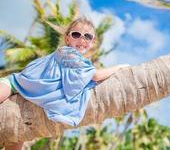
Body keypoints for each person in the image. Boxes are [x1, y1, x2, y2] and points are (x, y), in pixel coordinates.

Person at [0, 17, 129, 150]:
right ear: (67, 39)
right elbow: (95, 76)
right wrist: (119, 67)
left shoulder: (79, 65)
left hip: (23, 98)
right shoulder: (67, 53)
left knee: (15, 141)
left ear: (92, 42)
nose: (82, 39)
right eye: (76, 34)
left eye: (87, 36)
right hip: (12, 83)